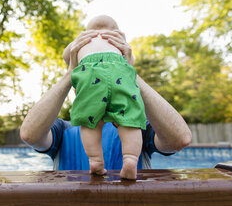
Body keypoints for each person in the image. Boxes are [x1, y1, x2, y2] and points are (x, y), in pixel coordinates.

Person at [20, 22, 192, 179]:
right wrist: (72, 74)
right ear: (76, 87)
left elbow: (180, 139)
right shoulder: (63, 131)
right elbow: (29, 134)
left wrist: (129, 74)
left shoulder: (142, 128)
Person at [62, 15, 146, 179]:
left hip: (89, 71)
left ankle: (95, 161)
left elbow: (67, 56)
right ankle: (130, 158)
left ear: (86, 32)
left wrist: (76, 46)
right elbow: (131, 62)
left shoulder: (83, 40)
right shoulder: (118, 39)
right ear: (117, 31)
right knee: (129, 118)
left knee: (90, 122)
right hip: (119, 69)